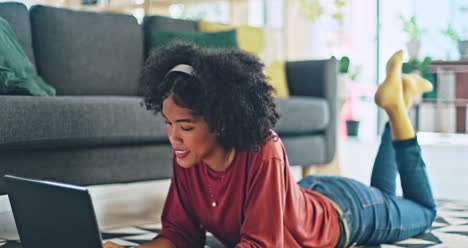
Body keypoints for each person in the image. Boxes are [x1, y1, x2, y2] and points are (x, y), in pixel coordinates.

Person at [103, 42, 436, 248]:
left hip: (348, 212)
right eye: (168, 123)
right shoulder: (188, 153)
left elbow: (262, 245)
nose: (173, 137)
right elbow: (180, 234)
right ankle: (397, 105)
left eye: (185, 126)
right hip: (306, 195)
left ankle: (396, 110)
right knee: (389, 195)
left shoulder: (262, 148)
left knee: (423, 211)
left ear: (219, 121)